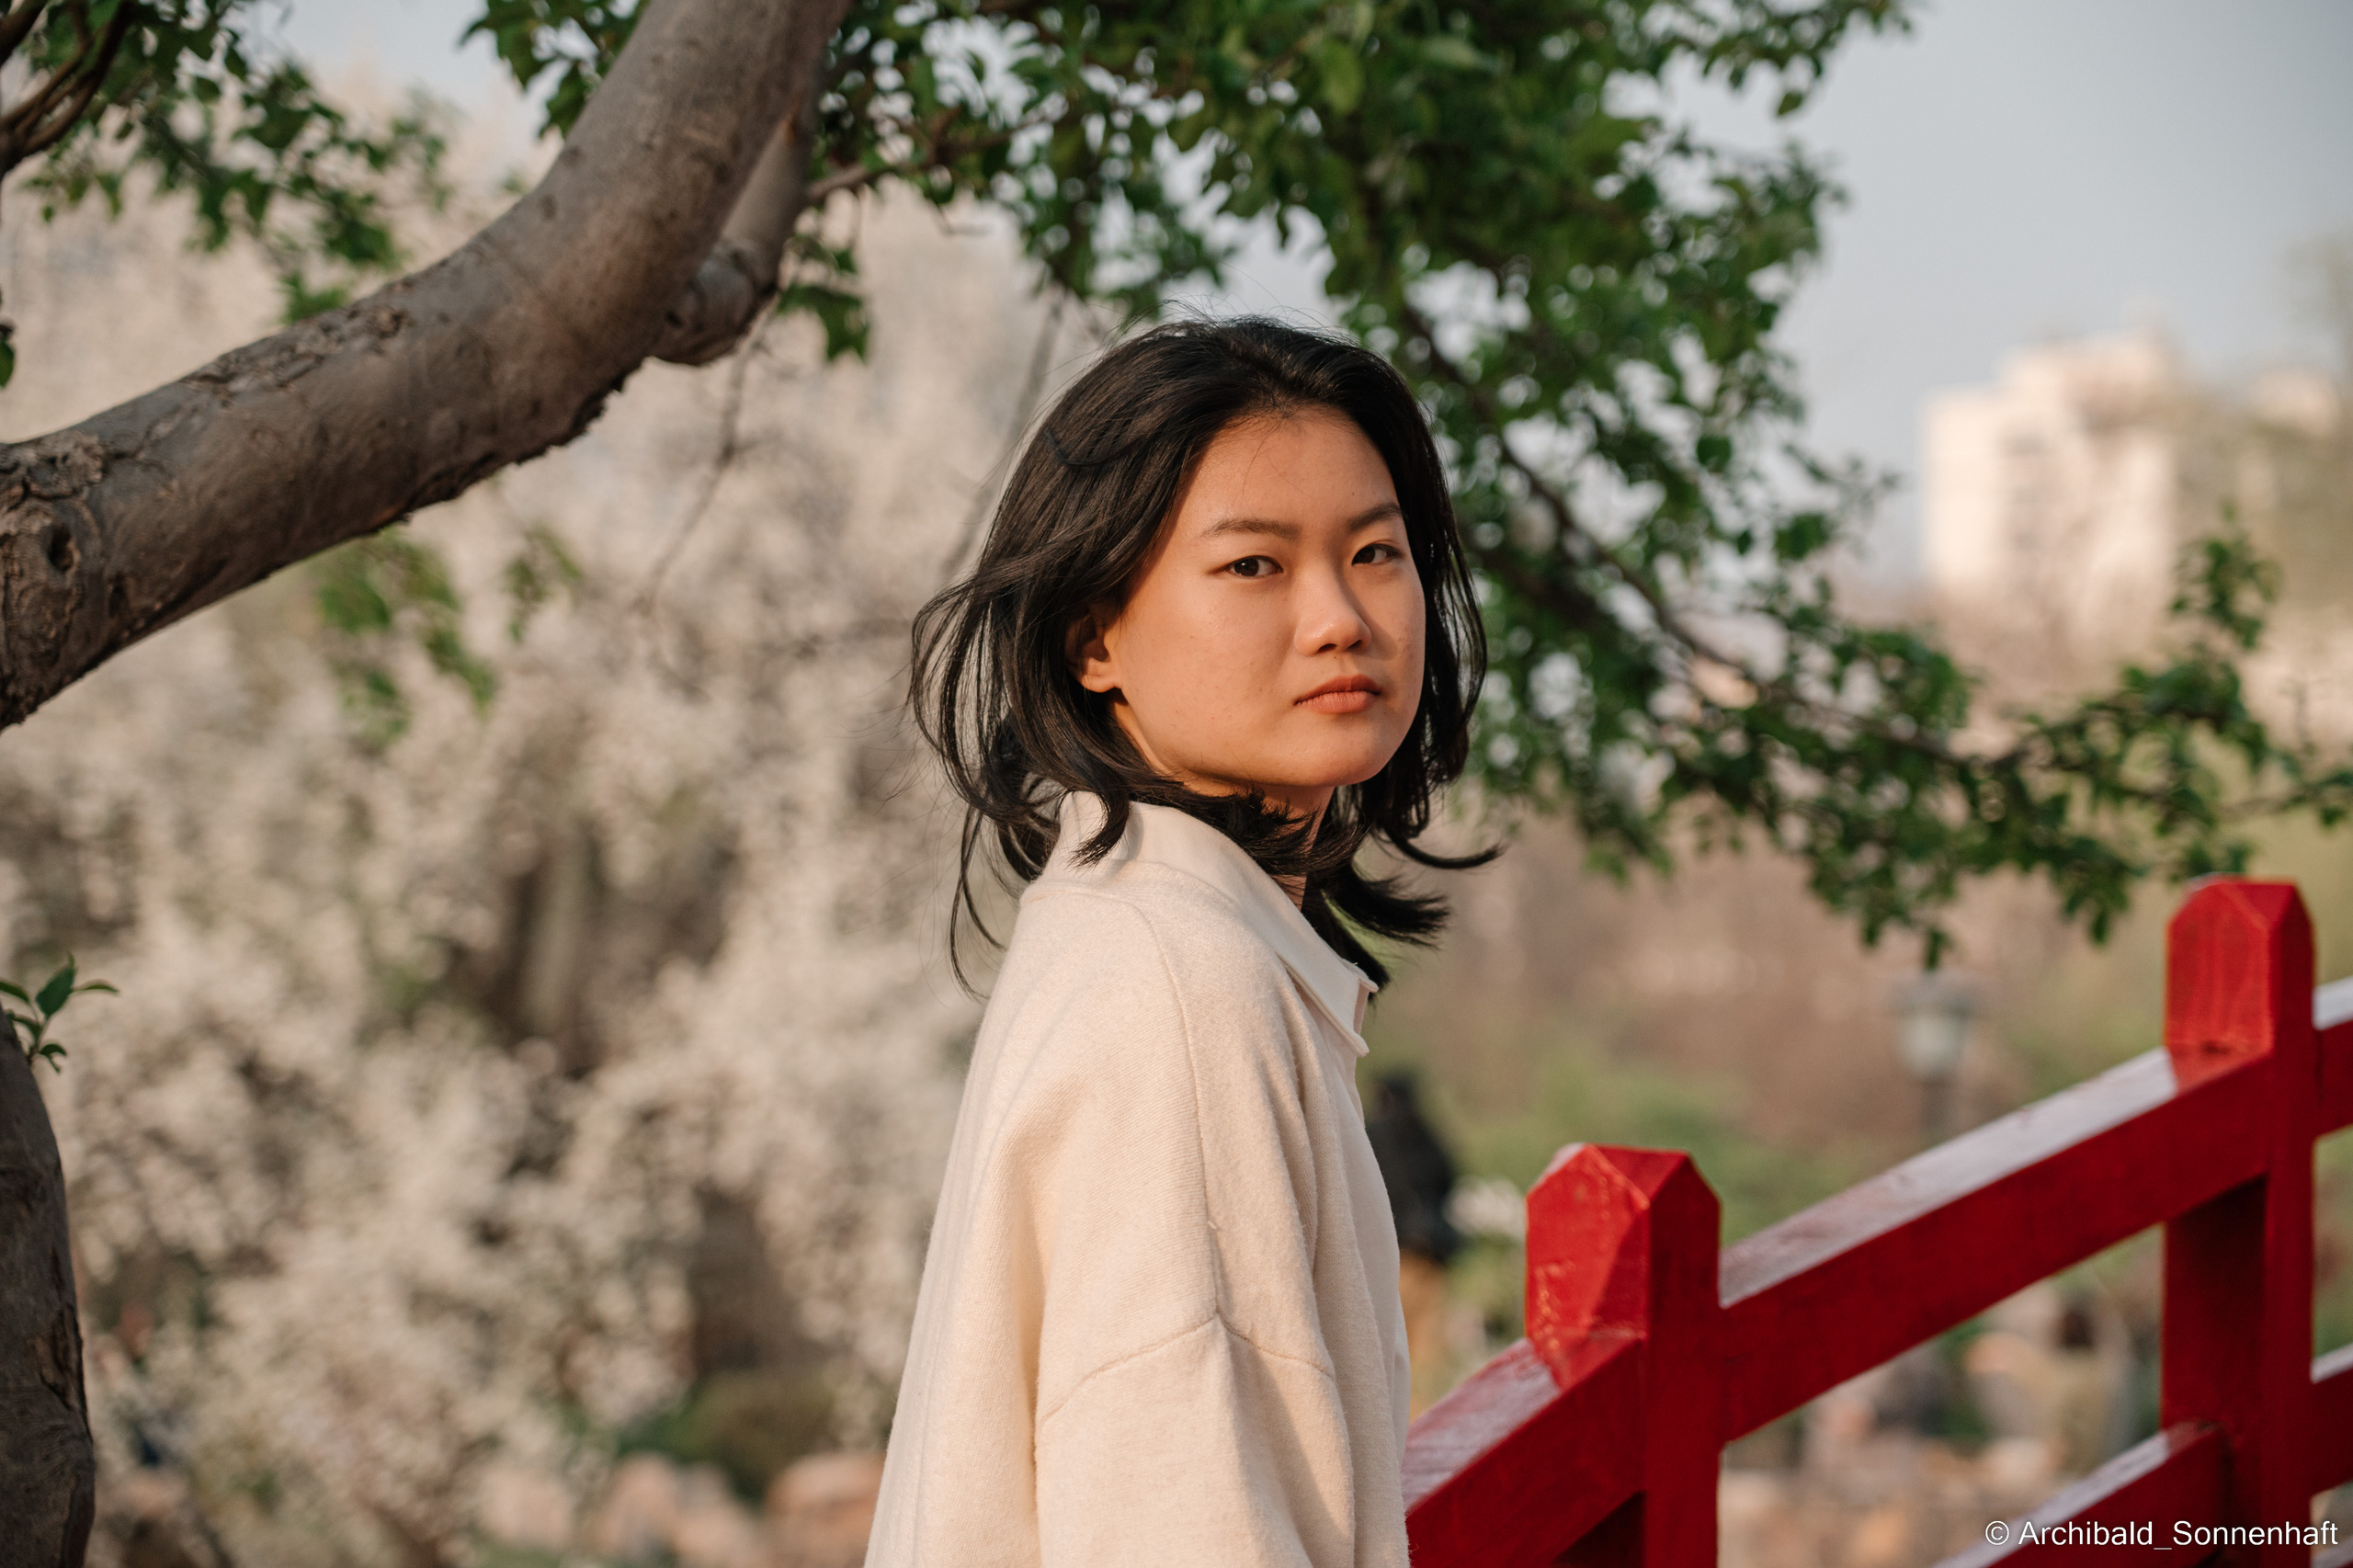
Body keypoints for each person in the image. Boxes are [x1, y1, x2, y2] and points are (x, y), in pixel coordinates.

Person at [871, 317, 1489, 1567]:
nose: (1339, 617)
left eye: (1374, 552)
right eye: (1254, 565)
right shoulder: (1182, 991)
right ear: (1093, 636)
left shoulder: (1138, 932)